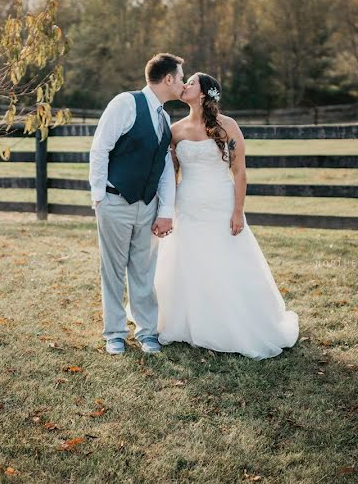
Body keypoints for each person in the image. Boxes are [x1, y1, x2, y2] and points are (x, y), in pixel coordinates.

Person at [154, 72, 299, 359]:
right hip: (188, 206)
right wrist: (166, 210)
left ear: (205, 93)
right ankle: (186, 323)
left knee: (224, 261)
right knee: (187, 263)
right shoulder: (175, 129)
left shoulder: (226, 126)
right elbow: (171, 174)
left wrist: (238, 211)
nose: (185, 85)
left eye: (191, 82)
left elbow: (240, 172)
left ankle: (230, 325)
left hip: (220, 205)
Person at [89, 53, 185, 354]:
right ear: (168, 79)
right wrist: (99, 197)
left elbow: (166, 168)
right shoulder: (124, 104)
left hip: (149, 206)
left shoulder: (165, 118)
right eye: (181, 77)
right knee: (114, 270)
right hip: (115, 201)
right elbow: (99, 149)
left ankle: (146, 332)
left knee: (144, 271)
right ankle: (115, 333)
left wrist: (165, 210)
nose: (183, 83)